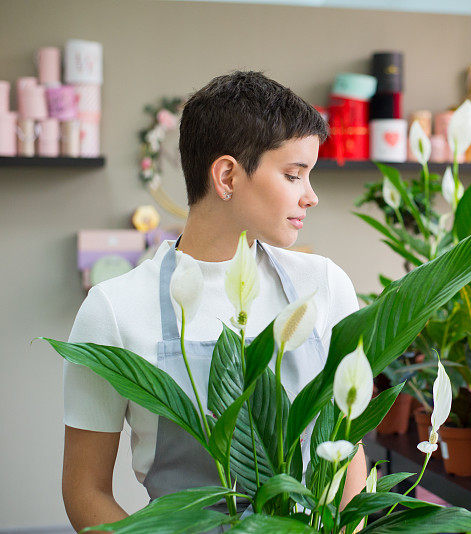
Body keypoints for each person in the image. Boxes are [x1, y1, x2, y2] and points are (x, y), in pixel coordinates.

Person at [62, 71, 367, 531]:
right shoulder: (114, 310)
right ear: (227, 175)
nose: (311, 196)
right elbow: (85, 491)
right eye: (293, 175)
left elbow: (348, 448)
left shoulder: (323, 285)